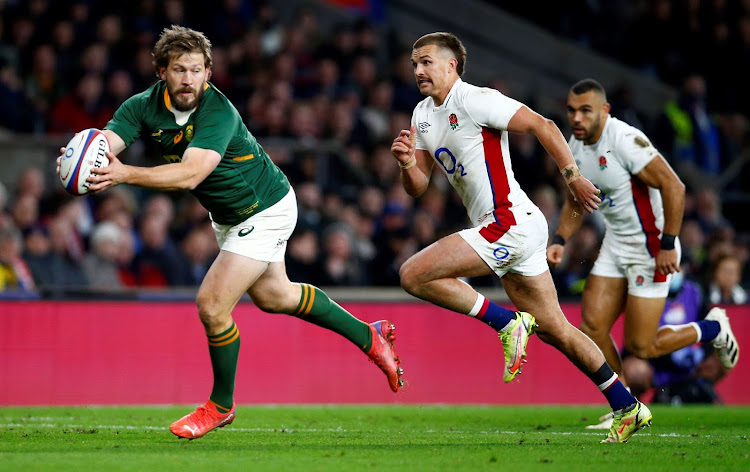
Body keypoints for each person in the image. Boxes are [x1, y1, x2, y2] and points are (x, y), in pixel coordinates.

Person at [56, 26, 403, 440]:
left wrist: (123, 174)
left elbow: (191, 174)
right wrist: (84, 154)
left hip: (266, 206)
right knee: (277, 297)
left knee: (212, 305)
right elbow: (109, 142)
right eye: (180, 69)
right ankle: (371, 335)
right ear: (161, 71)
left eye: (198, 69)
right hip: (229, 216)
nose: (189, 78)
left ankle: (220, 406)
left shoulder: (218, 111)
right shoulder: (140, 107)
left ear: (209, 72)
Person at [391, 32, 646, 443]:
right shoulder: (422, 115)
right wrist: (406, 164)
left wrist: (572, 177)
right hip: (508, 228)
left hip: (509, 222)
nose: (418, 70)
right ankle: (627, 405)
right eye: (414, 63)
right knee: (555, 329)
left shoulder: (476, 100)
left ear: (452, 65)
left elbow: (543, 125)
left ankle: (507, 323)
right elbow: (418, 186)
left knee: (413, 274)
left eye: (426, 62)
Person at [547, 78, 739, 426]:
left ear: (604, 111)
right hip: (616, 244)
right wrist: (560, 238)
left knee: (642, 348)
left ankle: (712, 328)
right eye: (572, 110)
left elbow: (674, 186)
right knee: (591, 326)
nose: (577, 118)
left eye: (586, 110)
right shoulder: (574, 146)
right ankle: (626, 407)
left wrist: (668, 244)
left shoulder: (625, 140)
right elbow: (577, 199)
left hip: (650, 248)